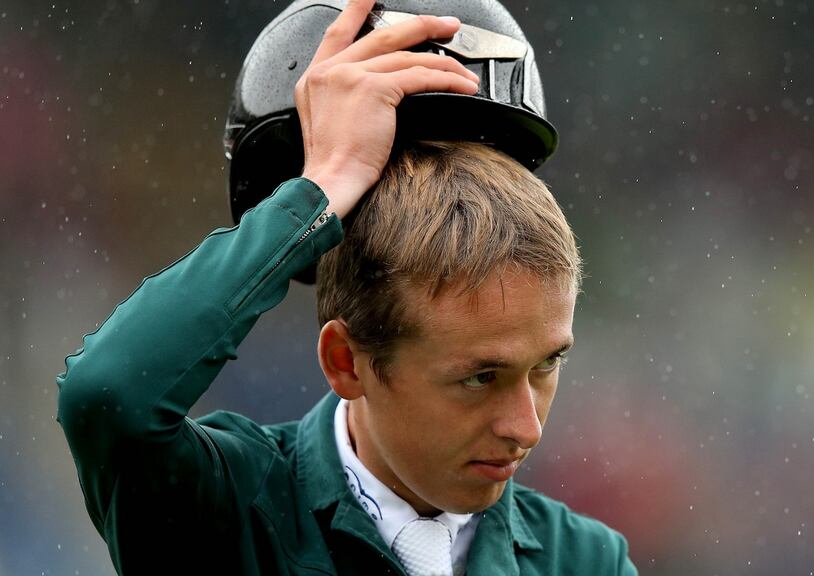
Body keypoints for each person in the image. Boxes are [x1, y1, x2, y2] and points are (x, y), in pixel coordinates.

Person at [56, 1, 637, 574]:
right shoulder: (225, 511)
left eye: (545, 366)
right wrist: (325, 186)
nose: (526, 428)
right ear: (345, 361)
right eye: (480, 377)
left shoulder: (585, 558)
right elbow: (108, 395)